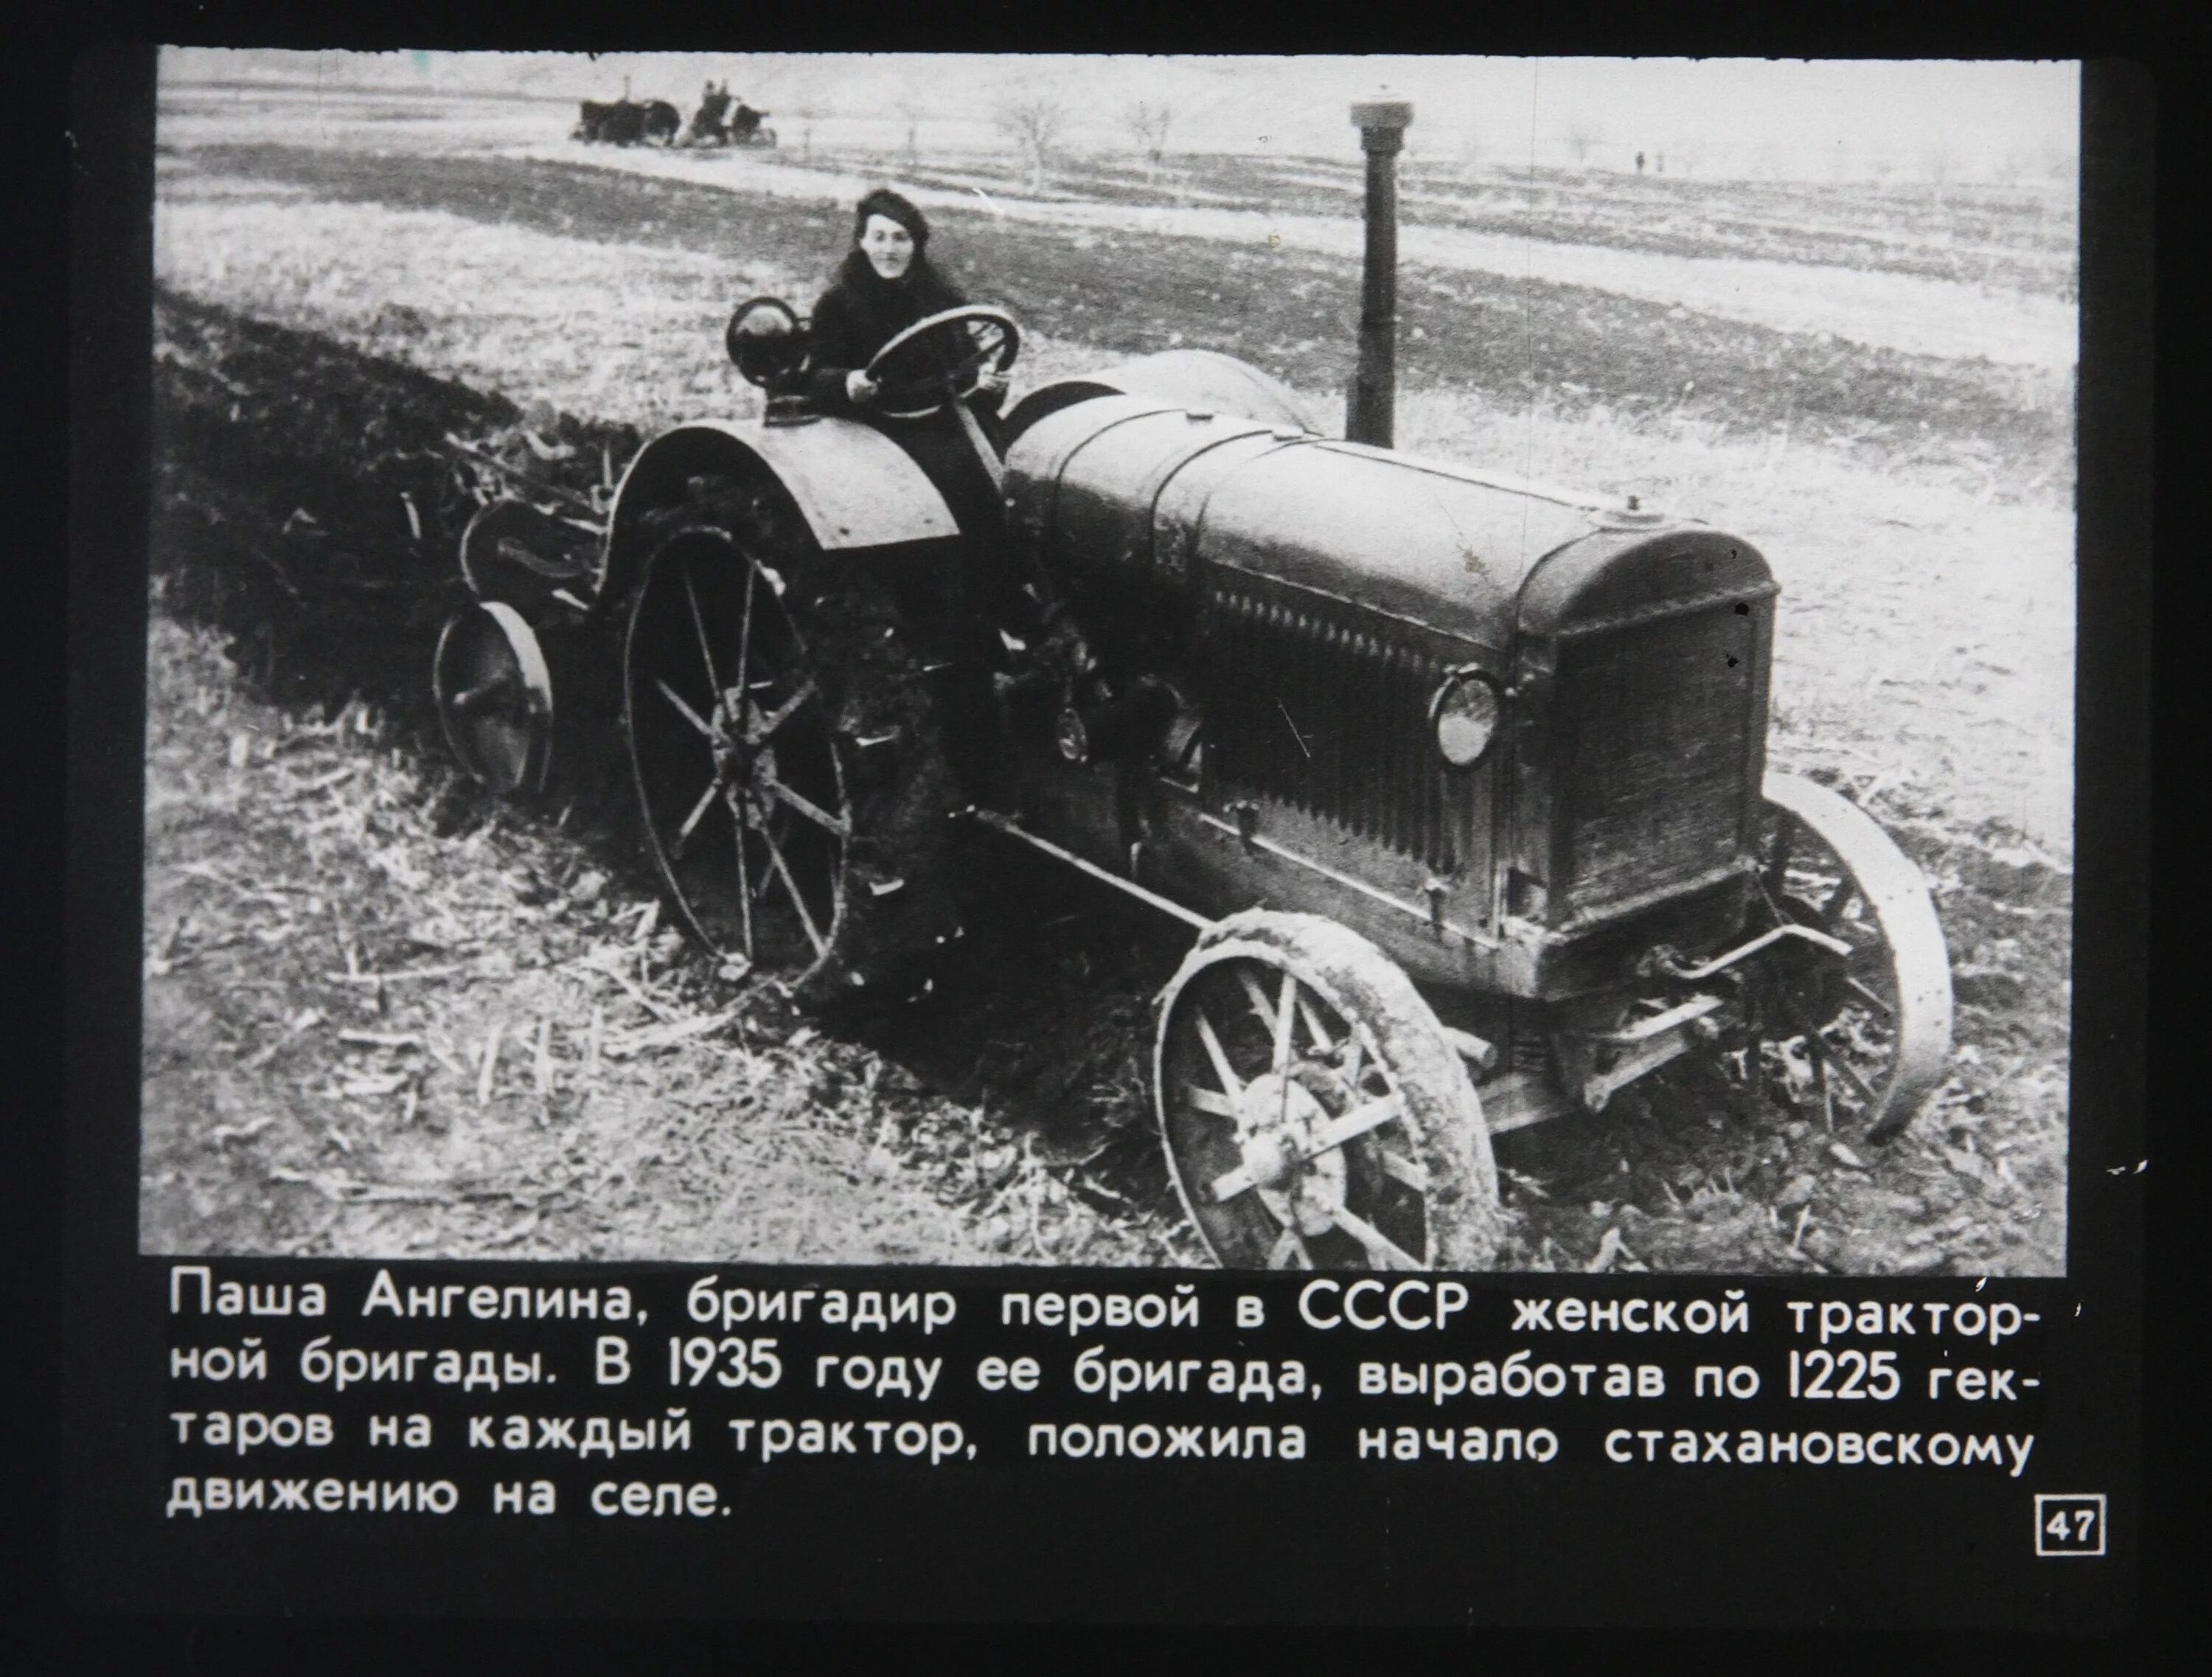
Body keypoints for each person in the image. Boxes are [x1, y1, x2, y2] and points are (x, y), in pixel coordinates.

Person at [804, 187, 1009, 425]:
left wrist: (990, 384)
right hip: (875, 427)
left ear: (916, 244)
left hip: (941, 422)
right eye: (879, 238)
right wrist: (848, 383)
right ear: (863, 242)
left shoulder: (939, 299)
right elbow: (816, 379)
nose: (889, 250)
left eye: (900, 238)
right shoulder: (837, 303)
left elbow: (965, 375)